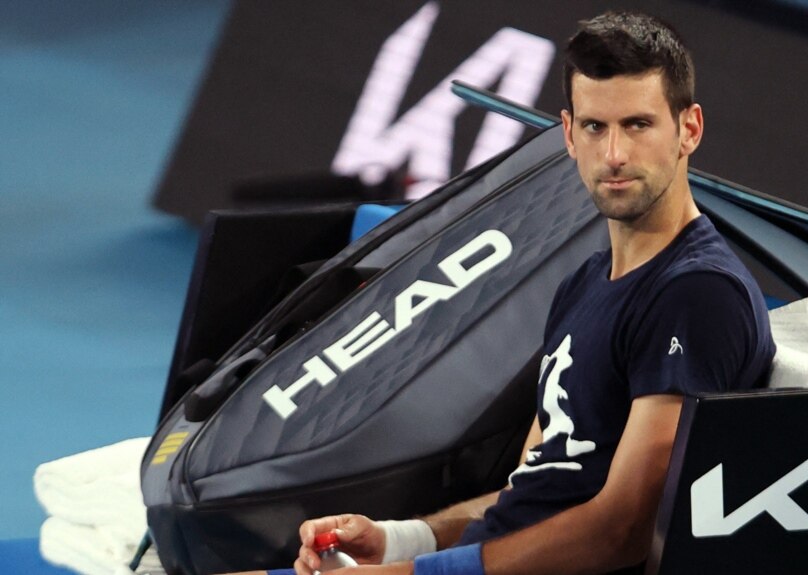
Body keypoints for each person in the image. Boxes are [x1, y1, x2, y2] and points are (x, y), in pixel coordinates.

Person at [234, 10, 775, 575]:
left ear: (689, 129)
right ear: (567, 134)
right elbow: (530, 490)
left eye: (638, 125)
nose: (614, 154)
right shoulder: (584, 284)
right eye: (595, 127)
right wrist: (400, 542)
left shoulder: (696, 295)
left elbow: (624, 531)